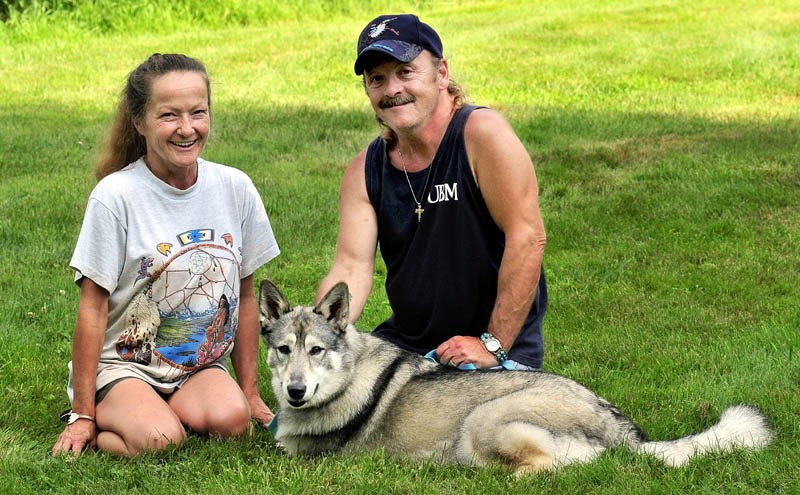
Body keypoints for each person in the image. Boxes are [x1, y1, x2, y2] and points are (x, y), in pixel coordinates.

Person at [52, 53, 280, 457]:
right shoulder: (115, 197)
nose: (187, 128)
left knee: (234, 422)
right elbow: (92, 309)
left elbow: (245, 299)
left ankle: (161, 410)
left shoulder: (235, 187)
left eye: (198, 112)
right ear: (139, 122)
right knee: (161, 441)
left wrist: (250, 393)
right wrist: (82, 414)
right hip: (123, 365)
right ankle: (116, 415)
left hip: (197, 366)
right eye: (169, 115)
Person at [316, 15, 547, 370]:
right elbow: (352, 266)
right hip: (410, 343)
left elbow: (527, 237)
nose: (392, 89)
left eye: (405, 72)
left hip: (493, 348)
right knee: (327, 411)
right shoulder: (365, 170)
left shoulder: (481, 135)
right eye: (377, 79)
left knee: (462, 424)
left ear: (441, 74)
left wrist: (493, 344)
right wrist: (318, 332)